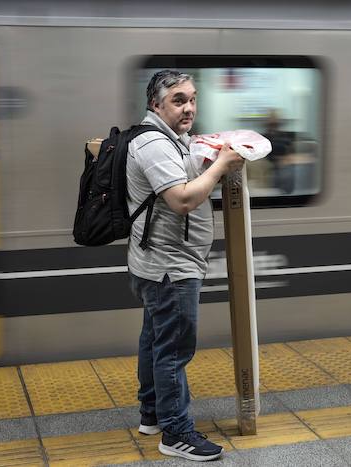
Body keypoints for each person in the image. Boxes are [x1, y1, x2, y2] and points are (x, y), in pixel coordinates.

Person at [126, 69, 244, 462]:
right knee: (174, 349)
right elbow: (181, 200)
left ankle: (152, 414)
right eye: (179, 100)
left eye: (192, 99)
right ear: (155, 104)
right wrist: (219, 167)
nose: (189, 107)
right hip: (170, 268)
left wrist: (210, 154)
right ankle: (175, 433)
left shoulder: (172, 141)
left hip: (160, 262)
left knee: (154, 340)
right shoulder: (154, 145)